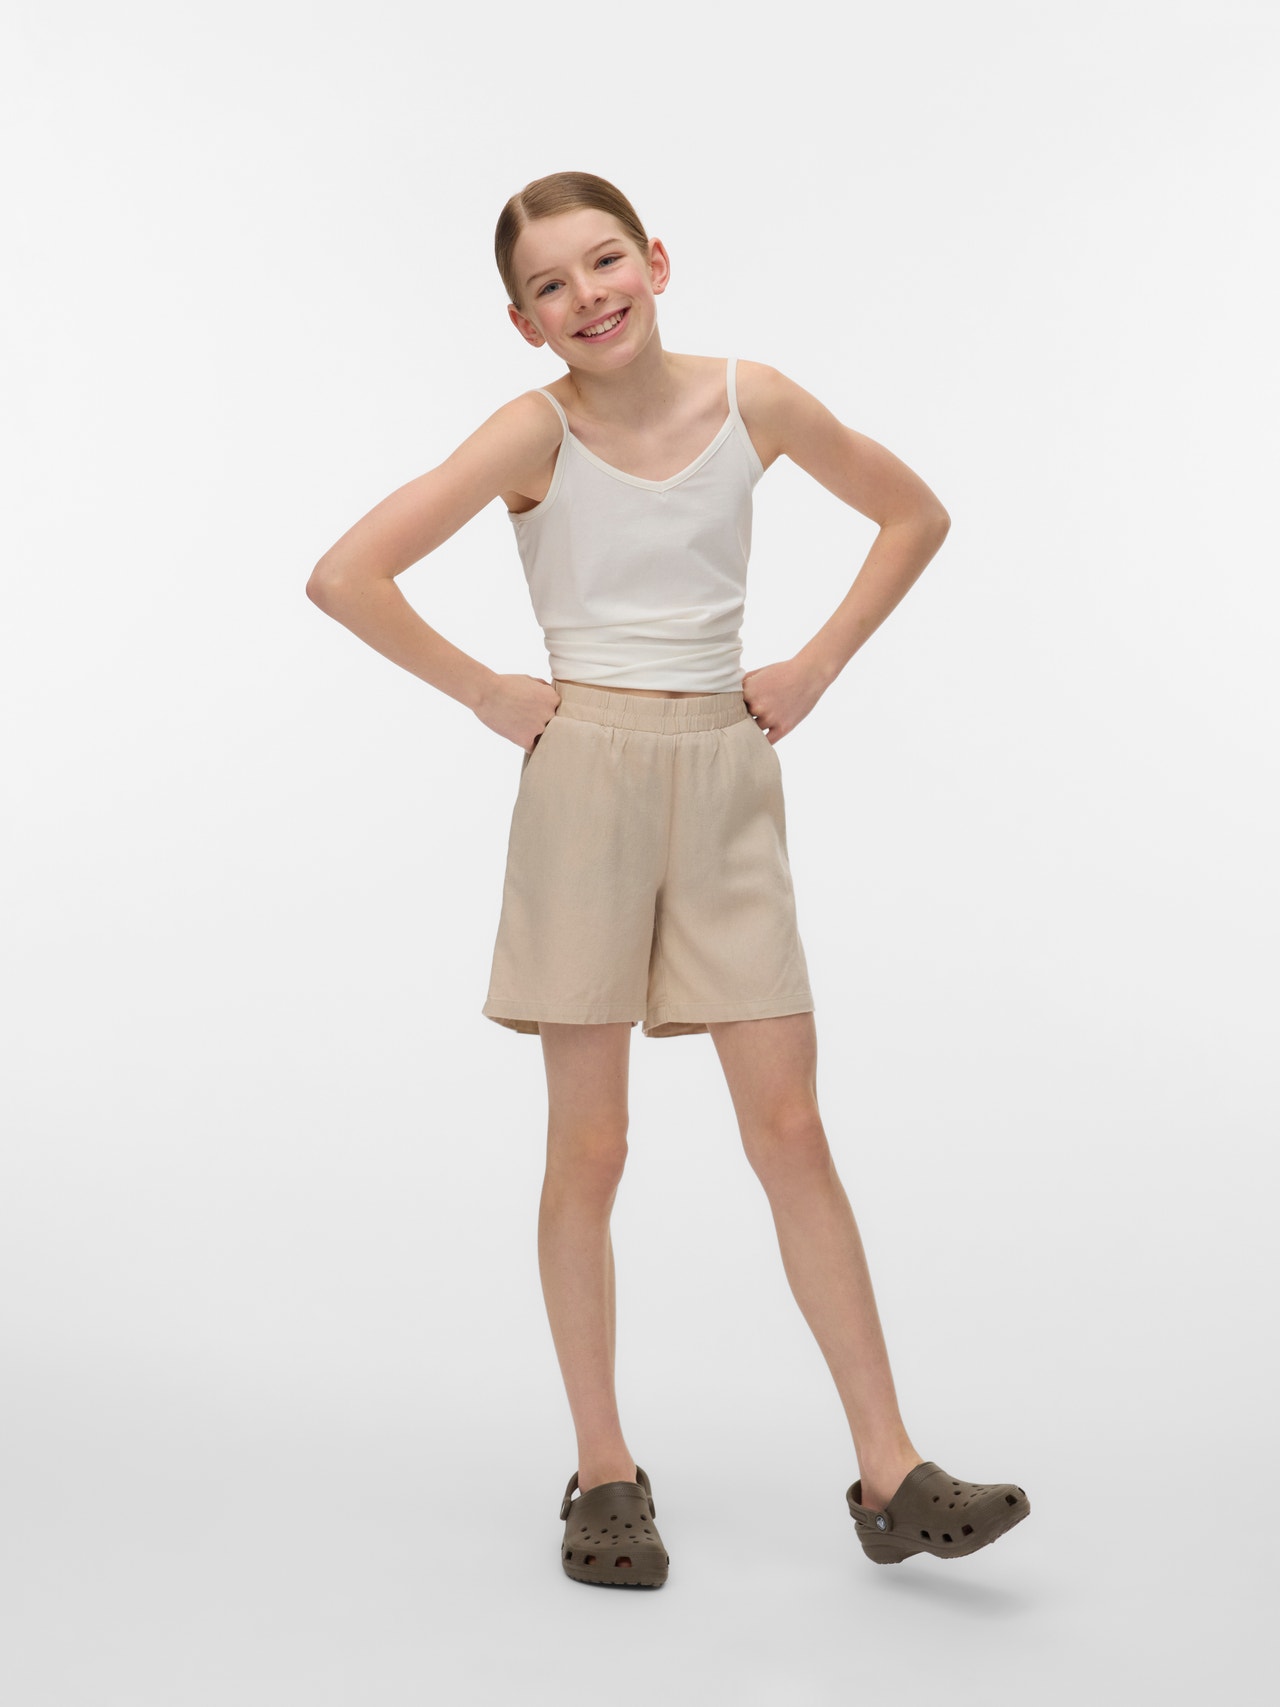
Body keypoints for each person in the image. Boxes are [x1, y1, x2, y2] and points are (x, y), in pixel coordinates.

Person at [306, 170, 1029, 1590]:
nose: (588, 296)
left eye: (605, 261)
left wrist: (814, 666)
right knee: (592, 1148)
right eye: (551, 286)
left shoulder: (756, 402)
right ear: (523, 322)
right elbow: (347, 575)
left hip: (725, 773)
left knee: (792, 1128)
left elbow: (915, 515)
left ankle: (892, 1474)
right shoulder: (534, 429)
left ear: (656, 258)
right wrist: (485, 691)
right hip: (585, 780)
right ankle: (604, 1472)